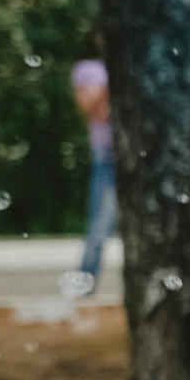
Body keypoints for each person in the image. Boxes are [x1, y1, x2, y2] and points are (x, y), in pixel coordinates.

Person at [72, 59, 114, 285]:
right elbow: (91, 108)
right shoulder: (88, 69)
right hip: (106, 160)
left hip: (137, 158)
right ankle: (85, 285)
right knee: (98, 228)